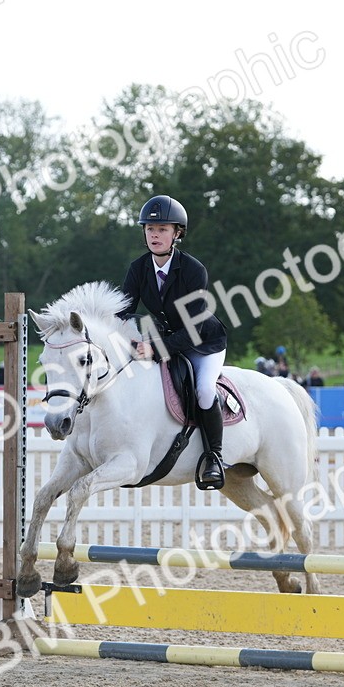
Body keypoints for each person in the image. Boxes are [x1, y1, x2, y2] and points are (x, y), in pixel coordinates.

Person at [119, 194, 228, 489]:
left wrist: (154, 349)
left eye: (162, 229)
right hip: (167, 340)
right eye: (150, 229)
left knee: (204, 390)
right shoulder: (138, 268)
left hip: (203, 343)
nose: (155, 235)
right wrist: (126, 338)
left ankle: (214, 457)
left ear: (177, 233)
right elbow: (122, 312)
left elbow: (193, 329)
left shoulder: (194, 271)